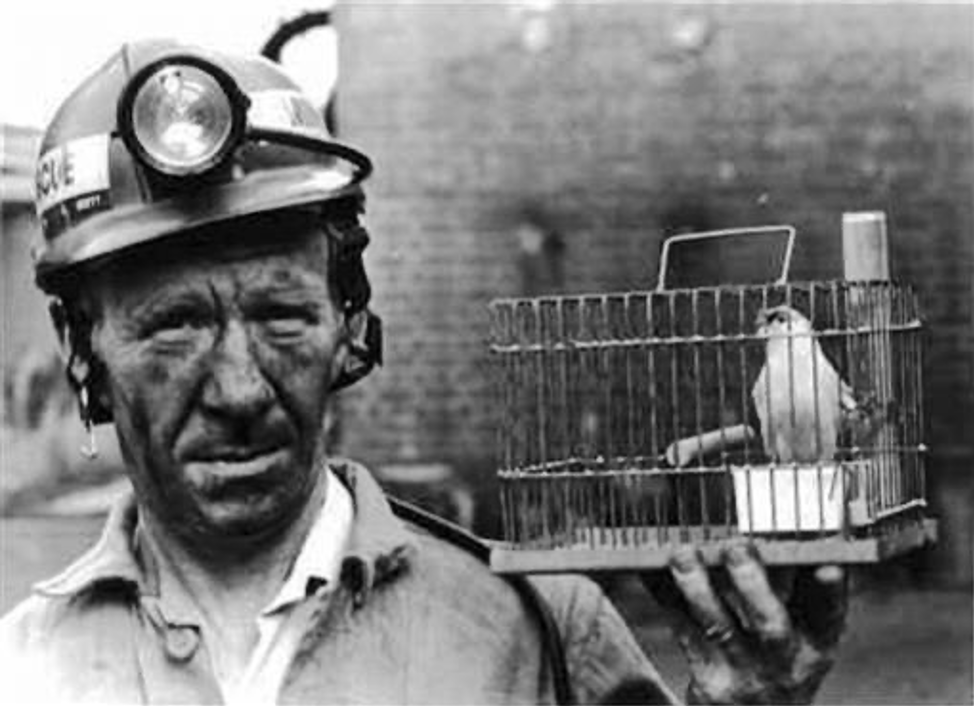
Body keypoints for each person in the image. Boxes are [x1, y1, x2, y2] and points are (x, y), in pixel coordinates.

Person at [0, 39, 847, 704]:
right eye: (175, 326)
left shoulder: (543, 629)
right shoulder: (23, 668)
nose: (241, 390)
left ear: (348, 321)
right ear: (83, 349)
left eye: (282, 314)